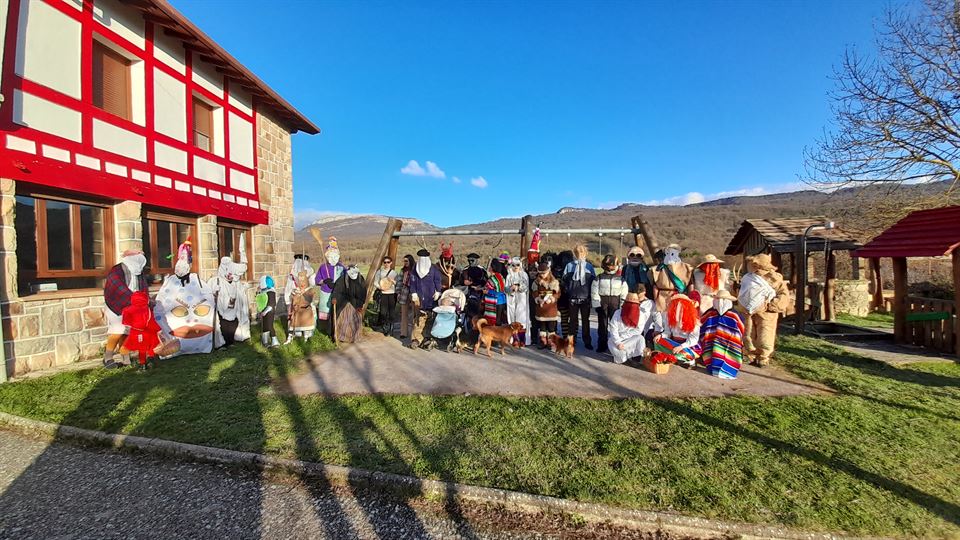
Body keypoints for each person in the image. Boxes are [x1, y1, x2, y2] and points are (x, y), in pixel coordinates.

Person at [153, 238, 215, 357]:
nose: (190, 321)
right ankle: (174, 347)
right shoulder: (170, 282)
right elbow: (160, 307)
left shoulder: (197, 282)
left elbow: (209, 301)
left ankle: (197, 346)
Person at [738, 253, 790, 367]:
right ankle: (749, 354)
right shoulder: (748, 277)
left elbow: (784, 295)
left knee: (765, 333)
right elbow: (743, 292)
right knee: (748, 333)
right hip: (749, 311)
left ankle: (763, 357)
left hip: (766, 312)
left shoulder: (775, 278)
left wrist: (772, 305)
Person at [102, 249, 148, 369]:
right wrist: (134, 297)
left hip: (133, 306)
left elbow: (143, 288)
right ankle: (108, 357)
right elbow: (117, 287)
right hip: (116, 305)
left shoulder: (140, 272)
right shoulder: (116, 270)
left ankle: (125, 358)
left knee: (128, 332)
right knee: (118, 330)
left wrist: (144, 301)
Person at [699, 290, 744, 379]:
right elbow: (701, 325)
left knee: (727, 352)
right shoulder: (710, 313)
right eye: (718, 299)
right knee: (712, 351)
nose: (720, 302)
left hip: (730, 342)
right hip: (711, 340)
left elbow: (740, 329)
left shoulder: (734, 315)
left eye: (723, 299)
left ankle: (727, 369)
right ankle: (712, 366)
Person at [607, 289, 657, 365]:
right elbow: (613, 329)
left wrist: (624, 337)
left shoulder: (641, 315)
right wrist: (618, 343)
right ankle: (624, 357)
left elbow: (638, 331)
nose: (631, 307)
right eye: (629, 304)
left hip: (630, 339)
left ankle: (636, 359)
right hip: (617, 340)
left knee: (640, 339)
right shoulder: (618, 313)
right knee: (611, 343)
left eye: (634, 305)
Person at [652, 293, 701, 369]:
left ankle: (689, 361)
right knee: (658, 341)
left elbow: (694, 340)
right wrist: (660, 335)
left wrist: (681, 347)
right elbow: (667, 333)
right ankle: (674, 358)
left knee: (686, 353)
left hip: (687, 346)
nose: (677, 308)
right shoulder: (669, 317)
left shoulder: (694, 321)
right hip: (673, 343)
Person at [210, 256, 250, 346]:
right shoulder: (216, 281)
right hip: (222, 305)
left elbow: (243, 268)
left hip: (232, 304)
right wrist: (214, 291)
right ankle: (224, 342)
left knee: (232, 321)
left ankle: (230, 340)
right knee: (223, 322)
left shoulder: (234, 279)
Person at [592, 254, 628, 354]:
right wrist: (597, 304)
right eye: (608, 265)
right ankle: (602, 345)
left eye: (612, 265)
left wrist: (622, 305)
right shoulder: (599, 277)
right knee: (602, 325)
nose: (610, 267)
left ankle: (614, 346)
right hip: (602, 303)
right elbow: (594, 291)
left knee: (615, 326)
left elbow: (624, 292)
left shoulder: (620, 279)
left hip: (615, 303)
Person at [561, 244, 596, 349]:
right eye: (577, 252)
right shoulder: (569, 266)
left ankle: (587, 341)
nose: (579, 254)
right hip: (572, 297)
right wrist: (568, 290)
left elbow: (593, 282)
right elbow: (564, 280)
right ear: (574, 253)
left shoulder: (589, 266)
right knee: (572, 321)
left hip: (585, 297)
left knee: (585, 321)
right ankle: (572, 340)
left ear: (585, 253)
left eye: (581, 252)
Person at [408, 248, 443, 348]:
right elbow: (412, 282)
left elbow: (437, 281)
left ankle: (428, 338)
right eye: (421, 257)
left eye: (424, 257)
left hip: (431, 298)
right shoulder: (415, 269)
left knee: (430, 318)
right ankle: (416, 339)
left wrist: (438, 291)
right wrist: (413, 293)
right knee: (418, 318)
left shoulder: (433, 269)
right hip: (419, 298)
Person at [121, 290, 163, 371]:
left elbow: (126, 323)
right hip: (149, 331)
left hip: (136, 332)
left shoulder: (127, 310)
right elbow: (152, 321)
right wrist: (158, 330)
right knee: (151, 345)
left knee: (142, 349)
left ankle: (143, 364)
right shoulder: (147, 310)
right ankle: (151, 360)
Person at [315, 236, 345, 338]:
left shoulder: (341, 267)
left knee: (337, 312)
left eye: (335, 255)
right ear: (327, 255)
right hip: (326, 292)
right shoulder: (323, 267)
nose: (333, 257)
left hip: (338, 293)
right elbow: (317, 280)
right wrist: (325, 281)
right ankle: (326, 331)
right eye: (331, 255)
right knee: (327, 312)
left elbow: (346, 280)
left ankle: (337, 330)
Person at [651, 243, 694, 313]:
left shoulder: (686, 268)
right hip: (662, 298)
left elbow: (690, 284)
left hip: (680, 297)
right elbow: (655, 285)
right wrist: (656, 299)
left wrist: (690, 298)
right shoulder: (658, 269)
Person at [284, 255, 316, 344]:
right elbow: (288, 288)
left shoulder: (310, 274)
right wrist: (289, 299)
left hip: (305, 302)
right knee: (294, 320)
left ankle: (306, 337)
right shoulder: (293, 275)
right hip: (295, 301)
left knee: (306, 320)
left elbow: (312, 284)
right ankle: (292, 336)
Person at [333, 264, 366, 343]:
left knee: (356, 320)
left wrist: (361, 303)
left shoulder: (360, 279)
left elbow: (363, 292)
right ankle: (342, 337)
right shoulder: (342, 279)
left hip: (356, 303)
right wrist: (334, 298)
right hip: (344, 302)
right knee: (344, 320)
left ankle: (354, 338)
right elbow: (337, 290)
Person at [531, 261, 561, 348]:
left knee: (551, 326)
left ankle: (551, 341)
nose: (542, 275)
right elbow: (534, 292)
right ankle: (543, 341)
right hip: (541, 307)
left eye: (544, 273)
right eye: (540, 273)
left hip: (550, 307)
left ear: (548, 271)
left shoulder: (554, 281)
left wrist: (552, 298)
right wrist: (538, 298)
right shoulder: (536, 282)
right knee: (542, 326)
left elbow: (558, 293)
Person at [505, 256, 530, 346]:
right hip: (511, 299)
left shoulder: (524, 275)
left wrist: (518, 287)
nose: (515, 267)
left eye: (517, 265)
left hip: (521, 299)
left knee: (521, 318)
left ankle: (522, 339)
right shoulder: (509, 276)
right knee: (512, 318)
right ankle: (515, 339)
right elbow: (505, 288)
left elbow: (526, 287)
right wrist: (510, 288)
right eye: (513, 265)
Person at [373, 256, 398, 336]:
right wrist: (381, 287)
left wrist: (392, 281)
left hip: (392, 294)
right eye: (385, 262)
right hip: (383, 294)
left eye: (388, 262)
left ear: (391, 263)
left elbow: (398, 283)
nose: (386, 264)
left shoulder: (394, 273)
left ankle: (391, 329)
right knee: (383, 312)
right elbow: (375, 282)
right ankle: (385, 328)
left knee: (392, 312)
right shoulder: (379, 272)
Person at [484, 257, 508, 326]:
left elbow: (498, 292)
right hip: (502, 301)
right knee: (499, 319)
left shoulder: (493, 279)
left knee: (496, 321)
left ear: (492, 268)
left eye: (490, 266)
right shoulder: (500, 276)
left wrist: (487, 292)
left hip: (496, 302)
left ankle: (495, 334)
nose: (489, 268)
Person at [256, 276, 279, 348]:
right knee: (265, 326)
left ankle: (274, 341)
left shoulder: (271, 291)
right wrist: (258, 292)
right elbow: (260, 301)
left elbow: (272, 303)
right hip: (264, 311)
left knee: (269, 325)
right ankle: (265, 342)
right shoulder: (263, 291)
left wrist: (266, 311)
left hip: (269, 312)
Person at [396, 254, 415, 339]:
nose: (405, 262)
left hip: (413, 291)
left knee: (415, 313)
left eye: (406, 261)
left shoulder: (415, 270)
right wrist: (398, 292)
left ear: (410, 260)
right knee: (404, 313)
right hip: (404, 291)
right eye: (404, 261)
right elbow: (399, 281)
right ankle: (403, 332)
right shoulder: (402, 270)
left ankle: (414, 333)